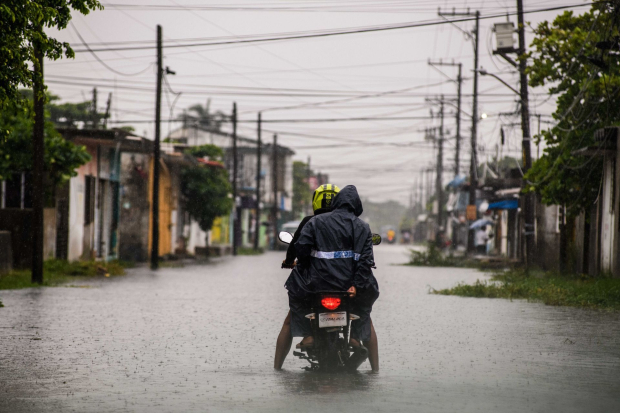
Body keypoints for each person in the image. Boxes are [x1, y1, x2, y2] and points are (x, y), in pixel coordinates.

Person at [286, 185, 380, 371]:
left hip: (316, 286)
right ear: (356, 205)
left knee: (295, 293)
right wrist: (356, 286)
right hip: (349, 289)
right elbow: (366, 261)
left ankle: (307, 334)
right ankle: (356, 339)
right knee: (368, 298)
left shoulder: (314, 222)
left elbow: (301, 249)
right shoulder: (363, 227)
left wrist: (304, 266)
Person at [274, 184, 340, 370]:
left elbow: (296, 246)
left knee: (290, 319)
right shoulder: (347, 223)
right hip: (343, 282)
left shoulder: (310, 221)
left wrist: (289, 261)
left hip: (311, 283)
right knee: (362, 315)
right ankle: (356, 340)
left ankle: (278, 368)